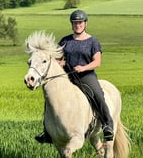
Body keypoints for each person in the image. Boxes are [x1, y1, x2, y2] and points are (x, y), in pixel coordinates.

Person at [35, 10, 114, 143]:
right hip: (67, 76)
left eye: (80, 22)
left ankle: (107, 125)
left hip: (86, 76)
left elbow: (97, 62)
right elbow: (56, 59)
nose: (78, 25)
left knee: (98, 95)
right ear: (72, 24)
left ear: (85, 23)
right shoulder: (65, 40)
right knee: (51, 98)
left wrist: (83, 67)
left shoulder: (92, 41)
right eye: (75, 22)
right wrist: (60, 63)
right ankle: (48, 131)